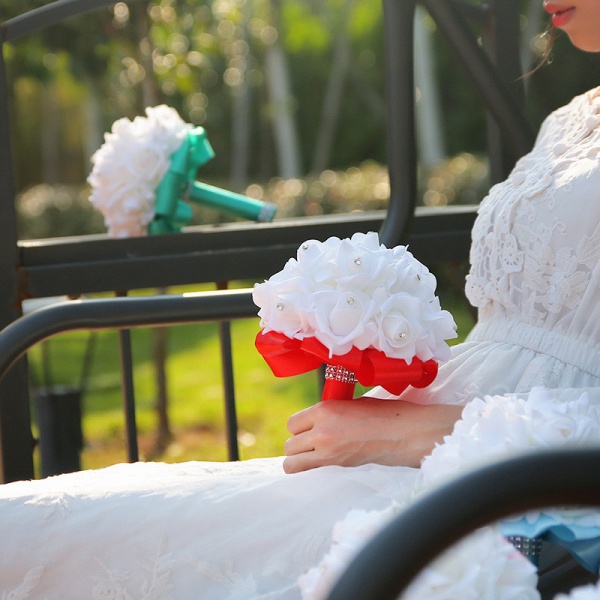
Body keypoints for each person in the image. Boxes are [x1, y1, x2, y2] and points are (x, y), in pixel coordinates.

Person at [1, 1, 600, 597]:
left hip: (514, 505)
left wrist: (408, 432)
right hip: (426, 455)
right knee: (41, 526)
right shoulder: (567, 121)